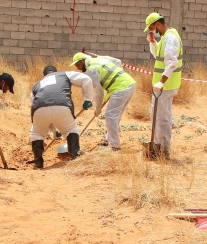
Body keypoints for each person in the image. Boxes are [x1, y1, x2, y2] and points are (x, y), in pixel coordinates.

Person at [29, 65, 93, 168]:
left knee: (36, 134)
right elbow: (86, 79)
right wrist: (87, 99)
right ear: (55, 71)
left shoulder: (36, 85)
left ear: (44, 75)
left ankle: (38, 163)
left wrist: (54, 131)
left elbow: (44, 110)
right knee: (71, 130)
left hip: (38, 110)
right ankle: (74, 159)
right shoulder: (65, 74)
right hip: (62, 106)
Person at [71, 52, 136, 151]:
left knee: (110, 116)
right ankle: (108, 140)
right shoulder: (99, 58)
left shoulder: (91, 70)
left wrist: (98, 108)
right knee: (115, 116)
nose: (78, 68)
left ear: (83, 61)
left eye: (78, 65)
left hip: (121, 88)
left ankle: (115, 146)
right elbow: (118, 61)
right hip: (129, 83)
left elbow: (99, 92)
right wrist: (117, 78)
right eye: (76, 66)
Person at [144, 12, 182, 157]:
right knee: (158, 116)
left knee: (162, 118)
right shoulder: (166, 37)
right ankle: (158, 146)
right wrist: (153, 43)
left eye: (152, 28)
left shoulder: (170, 38)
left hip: (165, 86)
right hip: (163, 86)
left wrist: (161, 81)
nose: (152, 31)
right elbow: (159, 56)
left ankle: (163, 150)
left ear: (158, 24)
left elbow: (172, 62)